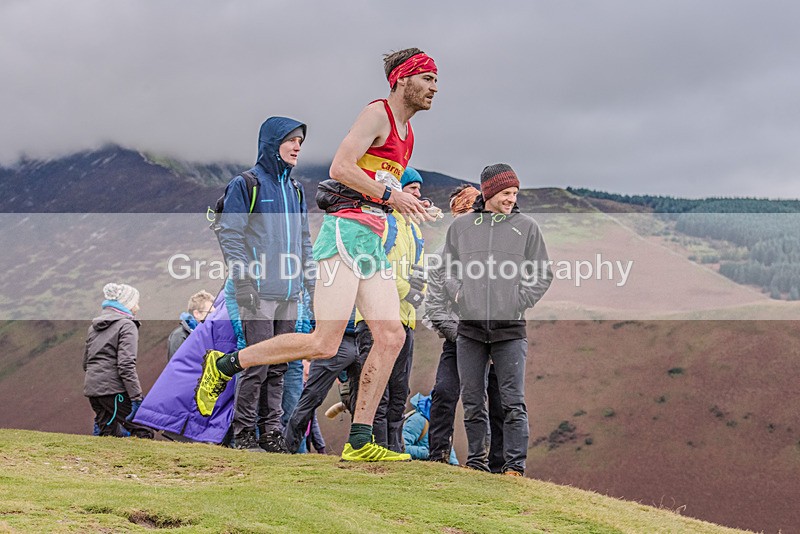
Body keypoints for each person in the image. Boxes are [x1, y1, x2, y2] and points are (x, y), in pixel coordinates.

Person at [195, 48, 438, 462]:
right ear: (402, 79)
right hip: (344, 235)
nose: (435, 87)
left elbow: (376, 183)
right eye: (428, 78)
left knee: (391, 335)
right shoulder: (376, 114)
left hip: (371, 241)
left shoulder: (407, 134)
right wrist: (392, 196)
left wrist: (408, 205)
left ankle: (360, 440)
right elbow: (341, 168)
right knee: (324, 343)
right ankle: (225, 365)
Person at [444, 164, 552, 476]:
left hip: (510, 332)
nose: (511, 198)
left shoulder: (527, 227)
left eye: (515, 193)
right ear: (489, 192)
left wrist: (520, 300)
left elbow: (543, 272)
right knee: (473, 401)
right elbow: (448, 268)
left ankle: (514, 467)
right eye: (506, 193)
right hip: (470, 331)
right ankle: (477, 463)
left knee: (513, 402)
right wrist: (459, 294)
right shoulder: (462, 227)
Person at [217, 116, 314, 452]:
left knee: (280, 366)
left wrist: (309, 286)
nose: (298, 147)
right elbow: (230, 234)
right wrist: (243, 281)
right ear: (273, 143)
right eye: (291, 140)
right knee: (256, 364)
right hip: (257, 292)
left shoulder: (296, 189)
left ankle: (270, 433)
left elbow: (304, 241)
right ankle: (243, 434)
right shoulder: (246, 184)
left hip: (290, 293)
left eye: (301, 141)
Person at [424, 185, 506, 470]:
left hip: (496, 339)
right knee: (445, 392)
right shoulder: (440, 258)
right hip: (459, 338)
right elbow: (435, 308)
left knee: (497, 401)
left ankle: (497, 466)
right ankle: (438, 457)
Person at [353, 166, 427, 452]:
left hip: (405, 319)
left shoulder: (414, 228)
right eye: (412, 188)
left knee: (399, 391)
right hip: (375, 319)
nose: (418, 194)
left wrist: (419, 293)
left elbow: (418, 272)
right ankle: (374, 446)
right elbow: (371, 268)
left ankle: (395, 451)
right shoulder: (381, 221)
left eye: (420, 189)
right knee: (378, 391)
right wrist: (409, 290)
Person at [83, 283, 153, 439]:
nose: (138, 307)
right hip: (114, 391)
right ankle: (144, 463)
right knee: (143, 429)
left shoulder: (94, 327)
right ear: (126, 304)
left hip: (93, 390)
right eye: (135, 302)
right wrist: (136, 398)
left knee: (107, 435)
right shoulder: (127, 325)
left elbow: (85, 363)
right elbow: (126, 365)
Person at [402, 392, 458, 464]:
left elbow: (449, 453)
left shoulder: (442, 424)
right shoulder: (418, 420)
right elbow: (403, 448)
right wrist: (430, 453)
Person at [167, 290, 215, 361]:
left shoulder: (208, 335)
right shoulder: (179, 336)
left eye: (215, 313)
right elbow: (177, 367)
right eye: (210, 313)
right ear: (197, 314)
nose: (214, 317)